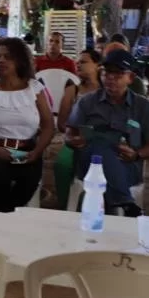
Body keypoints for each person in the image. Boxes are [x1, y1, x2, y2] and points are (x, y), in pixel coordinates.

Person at [66, 49, 149, 214]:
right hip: (89, 167)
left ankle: (119, 202)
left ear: (130, 78)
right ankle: (124, 201)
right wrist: (72, 140)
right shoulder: (87, 102)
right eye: (106, 73)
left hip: (127, 167)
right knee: (99, 145)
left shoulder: (143, 107)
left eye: (117, 74)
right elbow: (69, 133)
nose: (110, 78)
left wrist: (136, 155)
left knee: (103, 144)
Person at [0, 38, 54, 212]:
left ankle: (2, 216)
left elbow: (48, 126)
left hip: (26, 150)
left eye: (7, 57)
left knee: (30, 179)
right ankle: (6, 218)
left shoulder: (35, 89)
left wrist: (36, 151)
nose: (1, 60)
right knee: (0, 176)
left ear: (20, 60)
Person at [54, 49, 102, 208]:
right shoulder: (72, 90)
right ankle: (65, 205)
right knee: (62, 163)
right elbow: (61, 123)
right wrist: (74, 133)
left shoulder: (107, 91)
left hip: (102, 140)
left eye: (84, 61)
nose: (78, 65)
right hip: (75, 140)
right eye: (77, 62)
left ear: (97, 65)